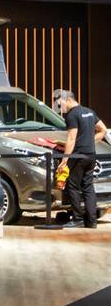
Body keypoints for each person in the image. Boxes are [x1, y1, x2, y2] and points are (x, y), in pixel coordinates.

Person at [53, 89, 107, 228]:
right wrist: (90, 142)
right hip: (90, 155)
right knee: (88, 187)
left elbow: (71, 138)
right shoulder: (89, 112)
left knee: (72, 186)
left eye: (61, 103)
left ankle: (77, 219)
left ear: (68, 100)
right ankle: (92, 221)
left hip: (77, 156)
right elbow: (103, 130)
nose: (61, 107)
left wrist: (64, 161)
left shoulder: (72, 115)